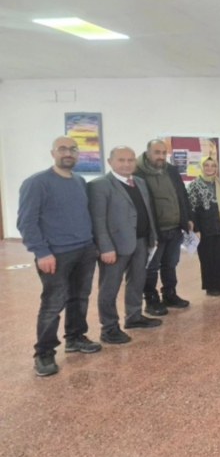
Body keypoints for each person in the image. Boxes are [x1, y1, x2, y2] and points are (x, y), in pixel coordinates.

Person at [17, 137, 102, 377]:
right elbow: (26, 222)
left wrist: (93, 245)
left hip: (84, 250)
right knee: (53, 304)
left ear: (78, 154)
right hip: (56, 254)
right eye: (62, 149)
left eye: (73, 149)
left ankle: (75, 337)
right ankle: (44, 353)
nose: (68, 153)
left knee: (80, 298)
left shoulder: (79, 181)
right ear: (53, 153)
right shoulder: (37, 183)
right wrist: (41, 252)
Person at [88, 146, 161, 344]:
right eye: (121, 160)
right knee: (109, 288)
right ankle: (109, 328)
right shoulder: (99, 185)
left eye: (130, 160)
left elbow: (147, 211)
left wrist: (152, 235)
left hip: (141, 241)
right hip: (115, 246)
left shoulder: (139, 182)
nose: (127, 164)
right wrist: (105, 248)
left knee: (137, 281)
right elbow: (98, 220)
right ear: (110, 162)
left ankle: (134, 317)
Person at [134, 138, 194, 316]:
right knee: (151, 267)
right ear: (148, 153)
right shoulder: (137, 172)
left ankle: (169, 294)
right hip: (154, 230)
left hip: (175, 228)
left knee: (170, 264)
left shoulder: (171, 170)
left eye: (163, 153)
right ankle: (151, 300)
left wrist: (188, 217)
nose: (161, 156)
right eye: (157, 152)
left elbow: (182, 195)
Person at [187, 157, 220, 296]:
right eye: (206, 165)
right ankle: (210, 287)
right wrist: (196, 229)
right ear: (202, 167)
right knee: (207, 258)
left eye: (213, 165)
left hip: (219, 225)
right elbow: (191, 209)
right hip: (204, 227)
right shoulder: (194, 185)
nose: (210, 168)